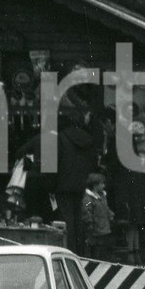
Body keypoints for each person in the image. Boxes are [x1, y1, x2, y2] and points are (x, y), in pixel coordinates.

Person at [55, 110, 101, 255]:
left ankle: (68, 252)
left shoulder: (61, 138)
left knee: (66, 221)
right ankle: (80, 254)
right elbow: (93, 162)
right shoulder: (87, 139)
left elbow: (56, 161)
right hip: (81, 184)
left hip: (63, 184)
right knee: (79, 220)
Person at [81, 172, 114, 260]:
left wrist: (110, 214)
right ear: (95, 185)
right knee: (96, 252)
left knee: (104, 251)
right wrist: (89, 223)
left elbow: (105, 208)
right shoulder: (88, 199)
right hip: (96, 230)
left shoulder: (102, 197)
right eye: (102, 184)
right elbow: (87, 210)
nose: (104, 185)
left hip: (104, 228)